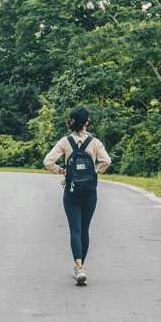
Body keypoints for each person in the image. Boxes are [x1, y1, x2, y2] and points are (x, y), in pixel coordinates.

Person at [43, 106, 112, 285]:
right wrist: (95, 171)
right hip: (90, 191)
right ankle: (80, 268)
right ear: (86, 123)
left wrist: (61, 171)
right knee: (84, 230)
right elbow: (107, 160)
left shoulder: (65, 142)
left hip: (71, 191)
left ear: (71, 122)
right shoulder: (94, 142)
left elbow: (47, 161)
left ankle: (78, 267)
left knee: (74, 229)